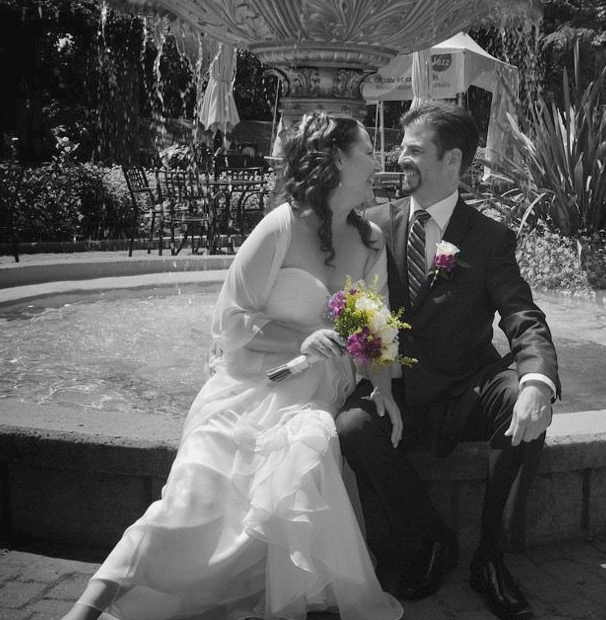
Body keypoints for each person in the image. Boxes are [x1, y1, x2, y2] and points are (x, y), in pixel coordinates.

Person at [61, 112, 404, 620]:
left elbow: (374, 338)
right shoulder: (281, 226)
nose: (380, 159)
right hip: (251, 385)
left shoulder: (372, 240)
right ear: (335, 159)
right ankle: (89, 605)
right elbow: (232, 322)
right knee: (195, 493)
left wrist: (384, 391)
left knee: (307, 443)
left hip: (314, 396)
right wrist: (300, 338)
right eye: (368, 150)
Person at [336, 102, 560, 620]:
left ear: (452, 160)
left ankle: (491, 558)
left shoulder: (489, 237)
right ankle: (429, 539)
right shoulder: (371, 226)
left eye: (414, 149)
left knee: (524, 403)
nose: (400, 157)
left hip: (467, 391)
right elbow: (349, 306)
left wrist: (537, 382)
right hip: (397, 395)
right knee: (350, 425)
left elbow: (523, 318)